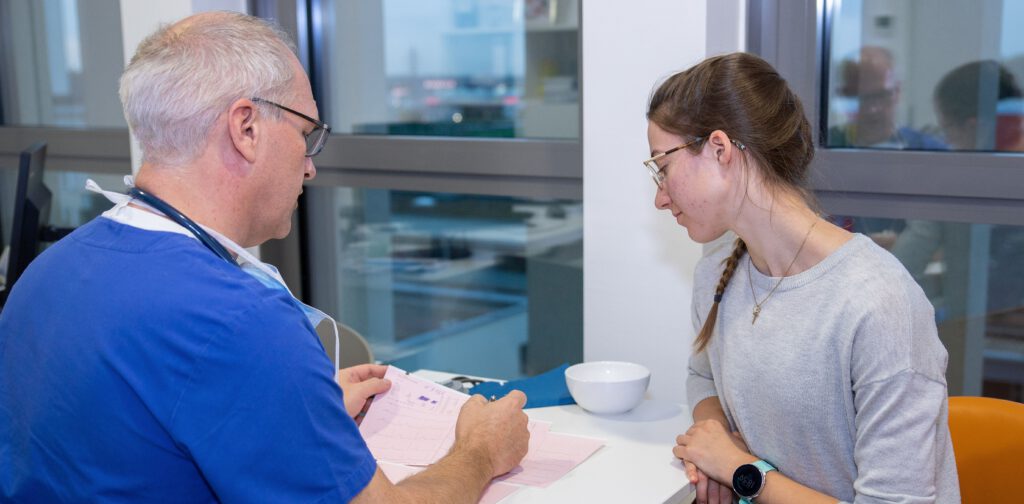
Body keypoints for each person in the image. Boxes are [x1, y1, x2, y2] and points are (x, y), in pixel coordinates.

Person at [0, 11, 529, 503]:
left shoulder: (47, 273)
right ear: (246, 128)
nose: (310, 168)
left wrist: (290, 408)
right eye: (306, 134)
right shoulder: (239, 322)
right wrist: (480, 451)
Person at [644, 53, 960, 503]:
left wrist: (741, 470)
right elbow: (703, 375)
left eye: (663, 167)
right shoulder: (717, 271)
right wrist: (717, 434)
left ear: (719, 149)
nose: (659, 197)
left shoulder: (878, 303)